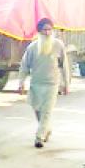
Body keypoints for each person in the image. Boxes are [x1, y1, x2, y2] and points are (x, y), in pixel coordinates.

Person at [18, 18, 69, 148]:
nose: (47, 33)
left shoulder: (58, 45)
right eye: (44, 30)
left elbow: (64, 66)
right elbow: (24, 65)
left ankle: (39, 137)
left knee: (46, 111)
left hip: (52, 84)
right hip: (36, 84)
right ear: (39, 32)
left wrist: (66, 83)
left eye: (49, 30)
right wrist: (21, 82)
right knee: (37, 110)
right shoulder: (33, 47)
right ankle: (46, 129)